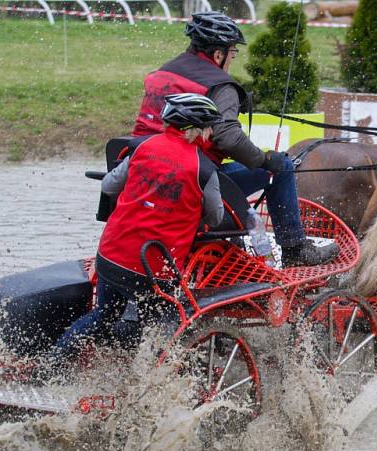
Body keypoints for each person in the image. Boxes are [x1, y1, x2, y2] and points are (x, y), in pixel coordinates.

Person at [132, 10, 338, 266]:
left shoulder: (161, 74)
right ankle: (295, 250)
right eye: (232, 53)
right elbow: (229, 138)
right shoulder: (220, 86)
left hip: (143, 174)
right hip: (192, 183)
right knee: (282, 166)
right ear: (218, 54)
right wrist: (263, 159)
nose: (231, 60)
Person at [51, 94, 227, 367]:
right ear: (197, 129)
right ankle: (151, 376)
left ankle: (53, 364)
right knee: (163, 325)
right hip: (155, 269)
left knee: (104, 314)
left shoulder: (142, 146)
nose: (212, 132)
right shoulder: (205, 171)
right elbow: (216, 218)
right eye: (210, 127)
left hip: (111, 256)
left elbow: (109, 186)